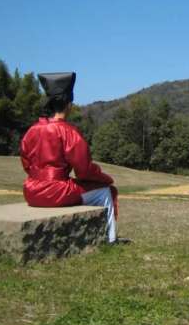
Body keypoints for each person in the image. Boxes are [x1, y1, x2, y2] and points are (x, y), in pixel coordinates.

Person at [20, 72, 120, 243]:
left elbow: (26, 163)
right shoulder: (68, 131)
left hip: (31, 192)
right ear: (69, 105)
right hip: (56, 191)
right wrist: (105, 178)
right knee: (106, 192)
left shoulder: (32, 130)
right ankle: (111, 240)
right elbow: (84, 170)